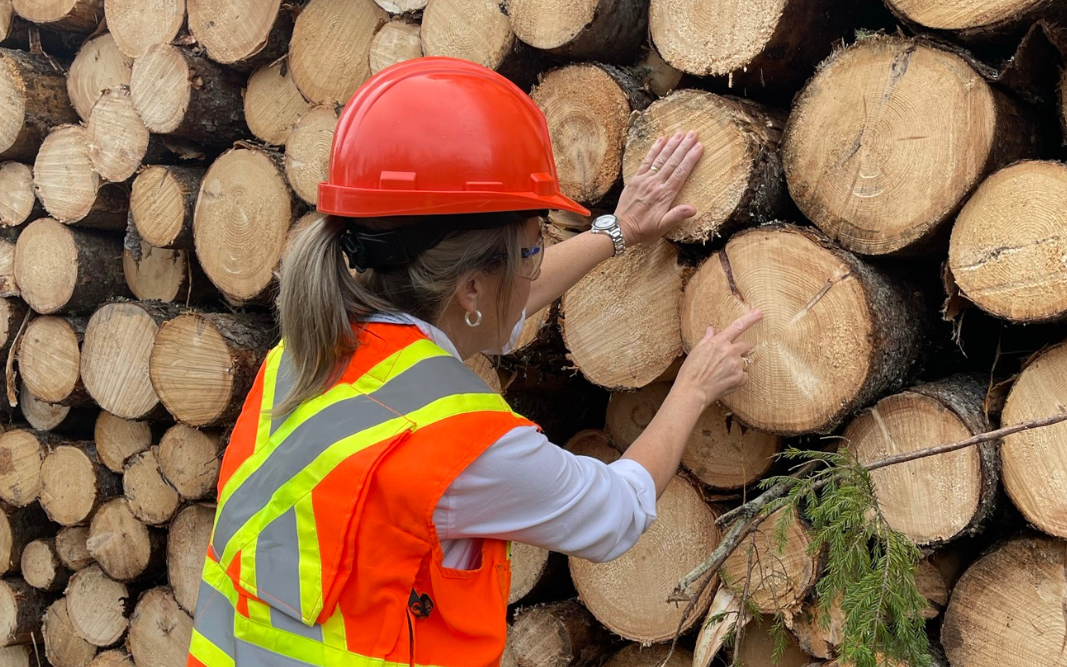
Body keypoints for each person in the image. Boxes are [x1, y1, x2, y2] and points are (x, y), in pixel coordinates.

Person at [186, 57, 762, 667]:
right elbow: (614, 513)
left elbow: (494, 308)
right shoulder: (460, 445)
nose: (536, 267)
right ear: (471, 287)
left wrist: (617, 232)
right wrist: (692, 389)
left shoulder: (307, 352)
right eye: (533, 250)